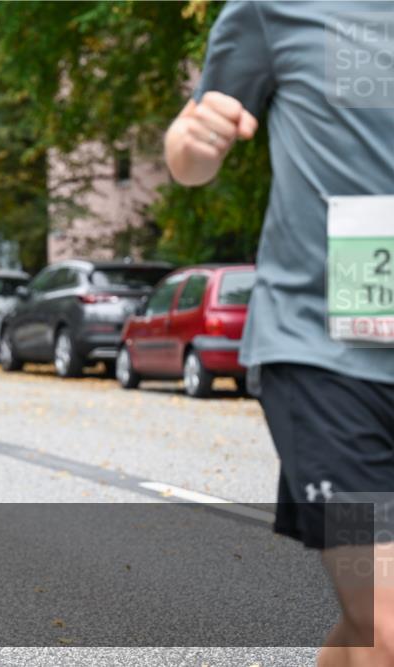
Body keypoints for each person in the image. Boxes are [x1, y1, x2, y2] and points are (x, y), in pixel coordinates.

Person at [164, 3, 393, 665]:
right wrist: (192, 144)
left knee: (368, 629)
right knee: (383, 617)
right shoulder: (276, 9)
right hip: (325, 367)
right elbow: (190, 155)